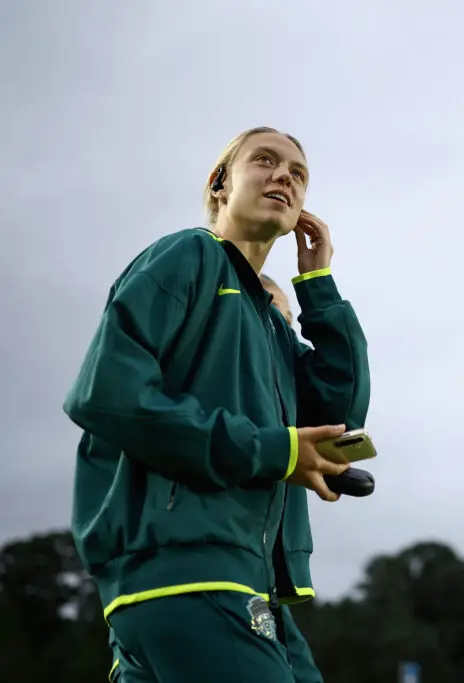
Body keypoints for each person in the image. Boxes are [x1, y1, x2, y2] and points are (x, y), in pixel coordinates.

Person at [65, 126, 370, 682]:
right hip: (189, 572)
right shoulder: (188, 255)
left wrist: (318, 284)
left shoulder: (270, 324)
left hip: (250, 583)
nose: (285, 176)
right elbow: (107, 396)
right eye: (266, 161)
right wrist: (274, 452)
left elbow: (337, 415)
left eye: (298, 173)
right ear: (220, 184)